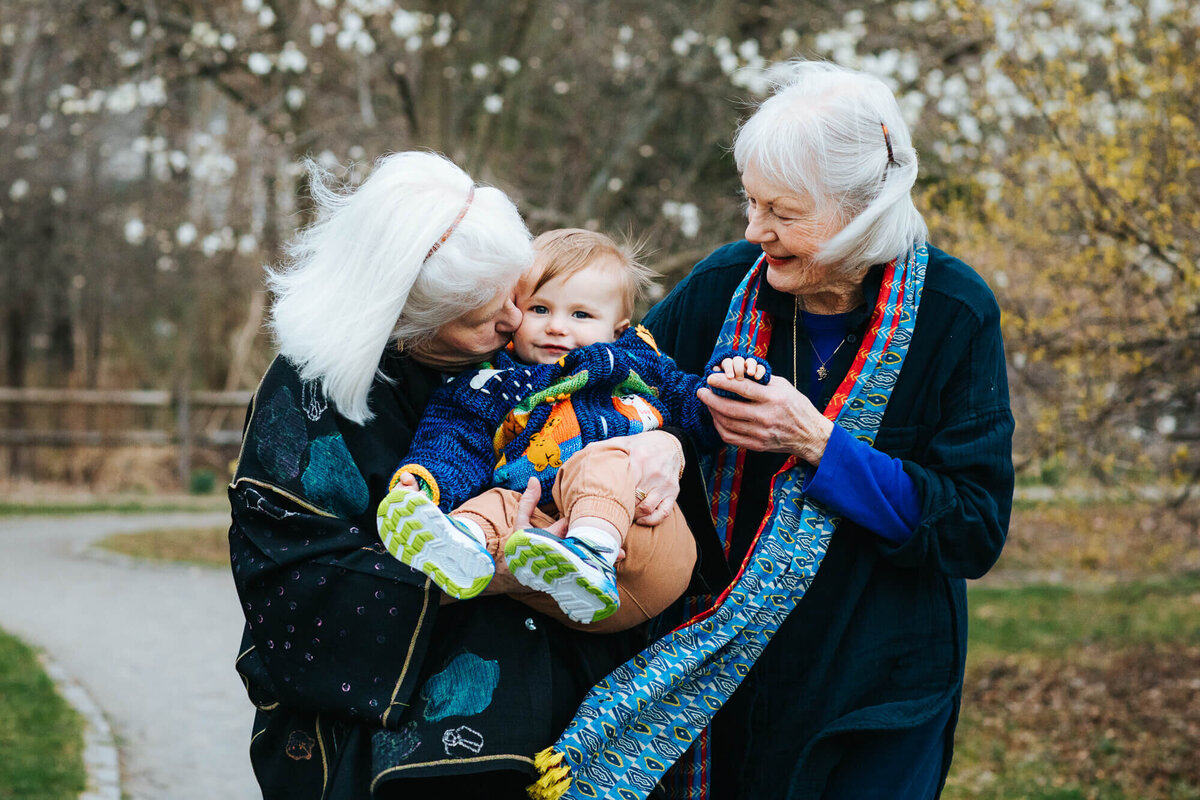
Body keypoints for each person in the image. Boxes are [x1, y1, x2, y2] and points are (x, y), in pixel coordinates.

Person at [227, 153, 691, 798]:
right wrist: (496, 567)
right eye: (478, 315)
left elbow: (640, 396)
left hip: (567, 692)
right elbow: (292, 578)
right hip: (403, 719)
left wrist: (663, 443)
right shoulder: (308, 394)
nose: (511, 322)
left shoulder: (541, 346)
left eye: (512, 294)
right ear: (403, 318)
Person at [636, 61, 1016, 799]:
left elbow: (972, 526)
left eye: (782, 211)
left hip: (875, 689)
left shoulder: (954, 311)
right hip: (719, 680)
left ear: (864, 209)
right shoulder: (723, 285)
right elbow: (618, 397)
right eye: (750, 203)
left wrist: (817, 444)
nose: (755, 231)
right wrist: (657, 435)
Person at [375, 228, 767, 627]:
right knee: (499, 503)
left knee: (602, 460)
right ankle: (459, 545)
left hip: (643, 541)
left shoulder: (635, 364)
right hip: (551, 555)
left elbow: (697, 410)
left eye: (580, 314)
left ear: (617, 329)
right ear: (513, 311)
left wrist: (732, 380)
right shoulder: (491, 382)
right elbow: (455, 440)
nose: (557, 327)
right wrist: (426, 485)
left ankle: (591, 548)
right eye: (540, 309)